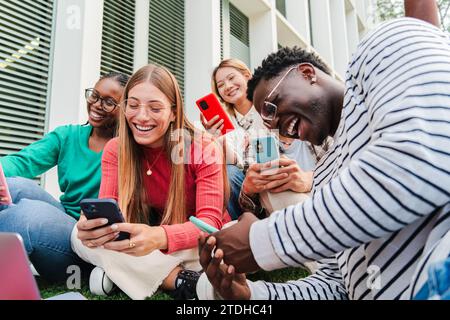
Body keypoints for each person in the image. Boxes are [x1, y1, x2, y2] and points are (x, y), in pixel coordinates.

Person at [198, 16, 450, 300]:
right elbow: (336, 284)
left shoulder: (381, 49)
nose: (275, 124)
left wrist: (262, 240)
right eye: (266, 121)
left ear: (306, 73)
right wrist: (253, 294)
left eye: (271, 108)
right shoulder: (325, 174)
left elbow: (421, 162)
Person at [71, 64, 231, 300]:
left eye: (155, 108)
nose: (142, 117)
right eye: (133, 106)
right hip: (142, 241)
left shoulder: (203, 147)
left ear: (174, 112)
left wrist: (159, 237)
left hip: (196, 241)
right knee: (77, 235)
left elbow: (209, 221)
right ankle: (181, 281)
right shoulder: (116, 149)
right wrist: (93, 226)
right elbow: (110, 206)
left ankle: (120, 274)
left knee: (224, 245)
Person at [0, 72, 129, 282]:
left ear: (125, 110)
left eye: (108, 102)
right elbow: (23, 162)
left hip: (88, 243)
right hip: (63, 219)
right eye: (94, 96)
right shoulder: (68, 136)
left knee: (26, 216)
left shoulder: (129, 150)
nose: (96, 104)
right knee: (14, 186)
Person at [207, 59, 322, 219]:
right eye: (220, 85)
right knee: (229, 170)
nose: (227, 86)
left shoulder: (277, 113)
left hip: (292, 179)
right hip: (253, 182)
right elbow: (239, 164)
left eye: (232, 78)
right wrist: (217, 141)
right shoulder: (225, 122)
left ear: (247, 76)